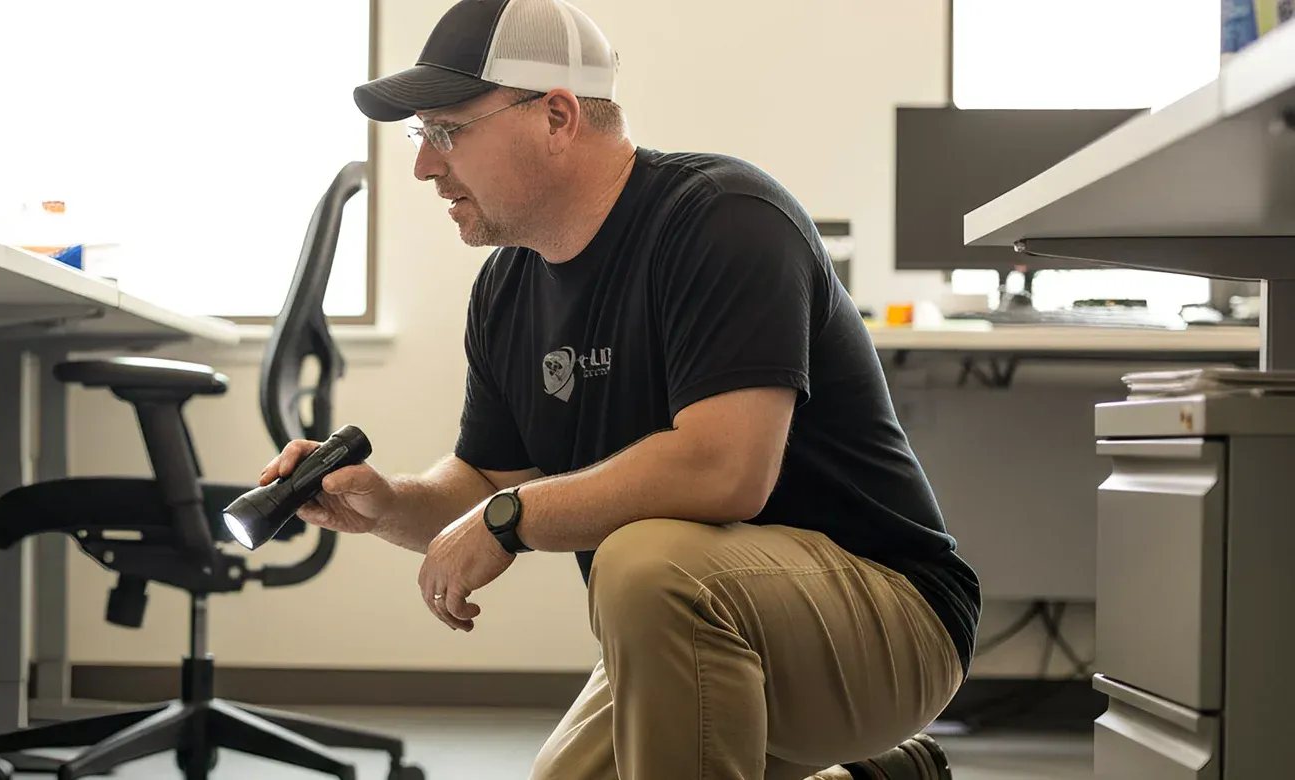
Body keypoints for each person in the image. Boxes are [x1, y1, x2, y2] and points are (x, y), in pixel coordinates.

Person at [259, 1, 981, 779]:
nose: (424, 167)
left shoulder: (724, 219)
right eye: (419, 135)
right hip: (703, 618)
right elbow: (485, 483)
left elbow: (724, 471)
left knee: (644, 563)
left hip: (891, 618)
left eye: (447, 131)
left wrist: (511, 518)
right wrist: (388, 503)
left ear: (557, 116)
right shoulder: (506, 290)